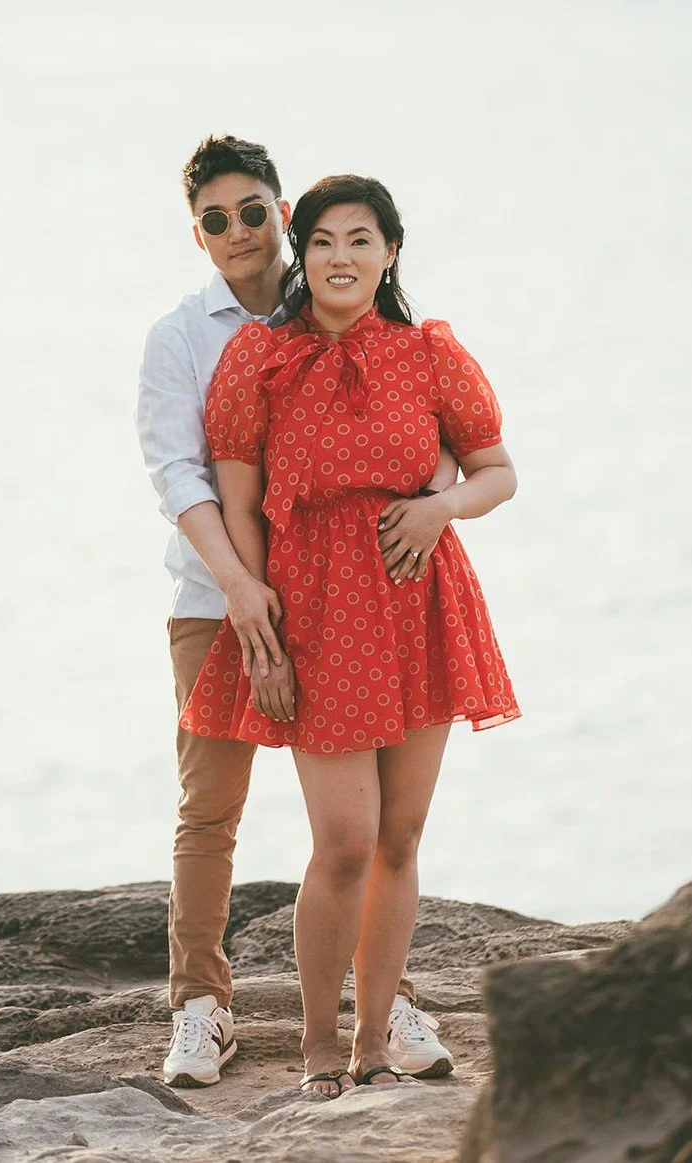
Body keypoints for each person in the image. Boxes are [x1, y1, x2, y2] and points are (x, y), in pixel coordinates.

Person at [180, 173, 520, 1097]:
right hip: (317, 613)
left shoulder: (429, 354)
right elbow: (241, 505)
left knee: (400, 837)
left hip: (420, 605)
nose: (340, 257)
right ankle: (320, 1043)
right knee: (342, 841)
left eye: (360, 239)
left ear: (389, 252)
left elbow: (497, 472)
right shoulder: (261, 358)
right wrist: (264, 632)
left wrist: (439, 508)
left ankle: (375, 1039)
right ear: (305, 251)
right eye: (324, 239)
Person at [137, 139, 456, 1090]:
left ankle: (381, 997)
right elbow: (178, 474)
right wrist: (242, 591)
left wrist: (437, 494)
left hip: (349, 602)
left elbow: (420, 427)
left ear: (282, 213)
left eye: (252, 212)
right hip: (218, 595)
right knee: (212, 807)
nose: (238, 232)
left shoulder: (332, 300)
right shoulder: (182, 336)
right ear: (196, 235)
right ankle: (202, 1005)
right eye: (215, 219)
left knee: (362, 828)